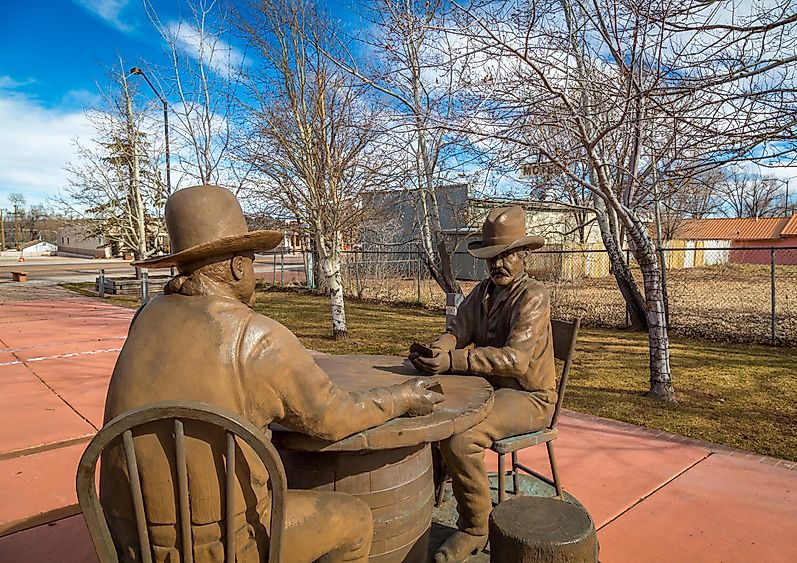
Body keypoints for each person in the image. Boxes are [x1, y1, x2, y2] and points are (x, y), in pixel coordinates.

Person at [101, 185, 441, 563]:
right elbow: (333, 417)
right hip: (226, 547)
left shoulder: (144, 318)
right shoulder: (256, 337)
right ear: (237, 267)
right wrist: (403, 396)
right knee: (355, 519)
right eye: (250, 258)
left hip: (130, 544)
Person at [410, 206, 557, 563]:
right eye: (492, 257)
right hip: (490, 389)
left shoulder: (533, 296)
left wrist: (454, 361)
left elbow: (515, 360)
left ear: (523, 255)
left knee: (462, 437)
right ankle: (424, 500)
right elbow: (457, 331)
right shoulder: (482, 292)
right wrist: (438, 350)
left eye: (507, 255)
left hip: (529, 396)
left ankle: (475, 527)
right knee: (429, 410)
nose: (499, 264)